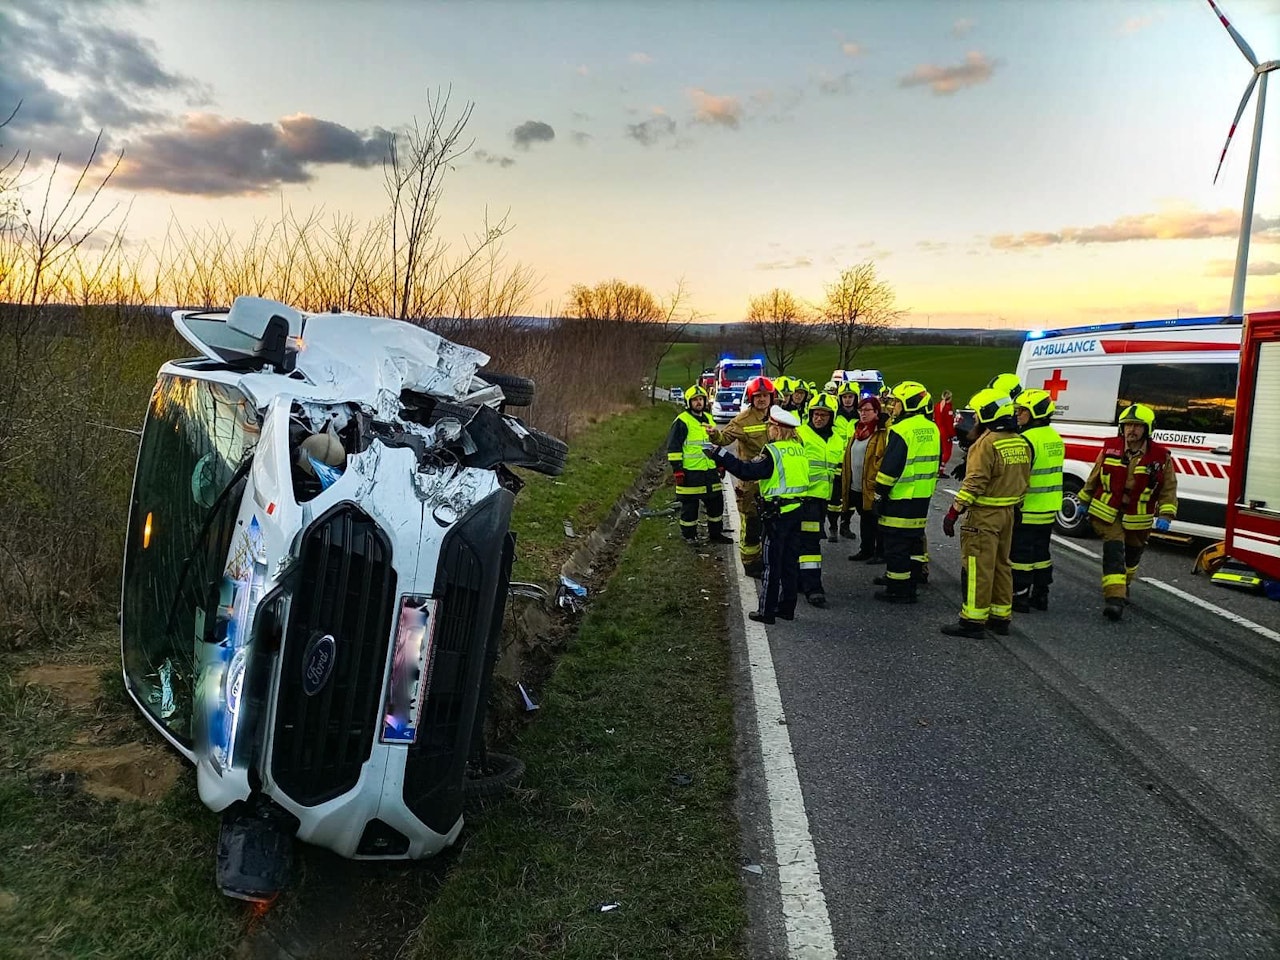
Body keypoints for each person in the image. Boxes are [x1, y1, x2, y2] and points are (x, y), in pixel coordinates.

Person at [939, 388, 1031, 638]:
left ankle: (972, 620)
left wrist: (954, 511)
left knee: (977, 567)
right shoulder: (1019, 441)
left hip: (983, 515)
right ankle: (1000, 617)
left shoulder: (986, 442)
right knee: (1002, 565)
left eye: (978, 416)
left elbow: (975, 483)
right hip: (1008, 513)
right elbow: (1024, 479)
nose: (974, 421)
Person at [706, 406, 810, 624]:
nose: (768, 430)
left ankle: (767, 611)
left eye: (771, 426)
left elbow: (746, 471)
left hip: (777, 515)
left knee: (771, 565)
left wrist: (719, 454)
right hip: (796, 511)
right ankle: (787, 608)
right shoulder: (799, 448)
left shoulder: (773, 452)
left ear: (778, 429)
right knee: (790, 563)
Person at [1077, 403, 1178, 621]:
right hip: (1107, 512)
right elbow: (1094, 478)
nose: (1131, 430)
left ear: (1148, 429)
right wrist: (1083, 501)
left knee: (1132, 557)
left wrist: (1166, 515)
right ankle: (1114, 600)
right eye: (1127, 425)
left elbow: (1168, 488)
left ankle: (1123, 585)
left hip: (1138, 517)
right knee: (1114, 552)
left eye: (1137, 426)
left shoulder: (1161, 457)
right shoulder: (1110, 448)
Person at [872, 381, 940, 604]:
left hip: (900, 496)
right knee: (913, 542)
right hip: (922, 496)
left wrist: (879, 493)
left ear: (910, 404)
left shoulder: (902, 430)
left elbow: (890, 467)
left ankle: (898, 588)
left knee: (895, 545)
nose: (893, 408)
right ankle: (912, 579)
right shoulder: (932, 428)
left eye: (897, 403)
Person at [708, 375, 775, 577]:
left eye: (765, 396)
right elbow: (725, 437)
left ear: (772, 397)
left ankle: (767, 558)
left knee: (771, 523)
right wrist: (714, 435)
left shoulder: (778, 417)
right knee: (752, 524)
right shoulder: (743, 420)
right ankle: (750, 563)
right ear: (751, 398)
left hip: (773, 483)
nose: (762, 399)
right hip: (751, 483)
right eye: (758, 396)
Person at [1011, 388, 1064, 612]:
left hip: (1028, 507)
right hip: (1049, 507)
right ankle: (1041, 594)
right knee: (1041, 553)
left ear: (1034, 413)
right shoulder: (1055, 437)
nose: (1017, 414)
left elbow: (1019, 477)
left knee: (1021, 553)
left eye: (1022, 410)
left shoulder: (1026, 439)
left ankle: (1020, 595)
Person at [665, 385, 731, 545]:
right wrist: (678, 471)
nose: (698, 402)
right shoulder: (682, 421)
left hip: (710, 471)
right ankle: (689, 536)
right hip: (690, 473)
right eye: (695, 400)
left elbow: (714, 444)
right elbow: (674, 448)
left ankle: (715, 534)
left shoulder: (709, 419)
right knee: (690, 508)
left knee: (716, 504)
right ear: (689, 402)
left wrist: (720, 464)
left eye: (700, 399)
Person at [796, 393, 843, 604]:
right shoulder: (800, 434)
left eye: (824, 414)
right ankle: (813, 588)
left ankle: (798, 581)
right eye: (816, 414)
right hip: (804, 498)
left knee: (803, 542)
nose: (819, 418)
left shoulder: (837, 439)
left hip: (823, 499)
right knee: (810, 545)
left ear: (831, 417)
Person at [845, 395, 889, 563]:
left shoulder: (881, 433)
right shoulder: (858, 431)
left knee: (875, 519)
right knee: (864, 518)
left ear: (876, 412)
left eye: (867, 410)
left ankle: (880, 552)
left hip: (871, 484)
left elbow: (882, 458)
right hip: (857, 484)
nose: (863, 414)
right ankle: (866, 549)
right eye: (861, 410)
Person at [832, 382, 862, 538]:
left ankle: (845, 525)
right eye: (844, 397)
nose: (848, 400)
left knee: (851, 499)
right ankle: (832, 526)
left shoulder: (861, 417)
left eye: (851, 397)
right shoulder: (834, 416)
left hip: (854, 464)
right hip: (836, 463)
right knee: (834, 499)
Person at [934, 389, 956, 477]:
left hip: (938, 431)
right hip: (945, 433)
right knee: (947, 452)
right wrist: (953, 434)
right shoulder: (947, 408)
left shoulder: (938, 406)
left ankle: (937, 468)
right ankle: (941, 470)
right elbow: (949, 423)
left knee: (940, 451)